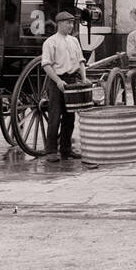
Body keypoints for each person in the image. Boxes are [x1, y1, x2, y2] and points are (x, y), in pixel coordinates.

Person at [42, 10, 86, 161]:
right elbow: (46, 65)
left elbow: (81, 61)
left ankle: (66, 149)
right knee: (54, 115)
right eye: (67, 23)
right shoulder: (50, 42)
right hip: (56, 82)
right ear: (59, 24)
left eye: (72, 23)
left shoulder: (74, 41)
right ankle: (51, 151)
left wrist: (84, 79)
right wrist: (58, 81)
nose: (70, 25)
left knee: (69, 116)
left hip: (72, 80)